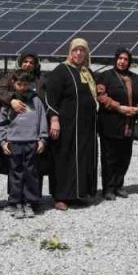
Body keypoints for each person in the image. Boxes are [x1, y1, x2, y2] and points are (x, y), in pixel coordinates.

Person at [44, 38, 100, 210]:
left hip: (85, 126)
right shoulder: (61, 71)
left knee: (83, 158)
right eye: (75, 50)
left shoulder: (87, 72)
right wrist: (54, 119)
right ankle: (60, 196)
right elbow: (51, 97)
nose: (78, 53)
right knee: (64, 159)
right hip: (67, 125)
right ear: (70, 51)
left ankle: (79, 194)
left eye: (82, 50)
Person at [0, 71, 49, 218]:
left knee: (31, 174)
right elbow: (1, 123)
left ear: (30, 84)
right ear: (13, 83)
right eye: (19, 84)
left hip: (32, 142)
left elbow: (42, 120)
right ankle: (16, 202)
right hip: (14, 143)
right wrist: (3, 141)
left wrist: (42, 139)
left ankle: (29, 203)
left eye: (25, 84)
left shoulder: (36, 101)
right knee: (15, 174)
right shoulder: (9, 103)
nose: (22, 87)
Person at [96, 48, 138, 199]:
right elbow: (101, 96)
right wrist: (119, 107)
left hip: (129, 124)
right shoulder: (105, 76)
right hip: (110, 123)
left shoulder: (135, 78)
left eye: (125, 59)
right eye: (120, 58)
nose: (122, 62)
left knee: (125, 156)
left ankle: (119, 185)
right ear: (115, 59)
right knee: (109, 157)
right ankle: (108, 188)